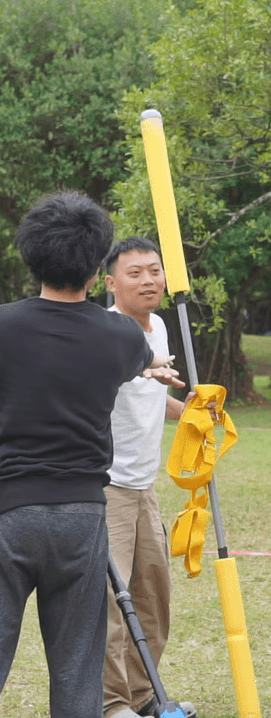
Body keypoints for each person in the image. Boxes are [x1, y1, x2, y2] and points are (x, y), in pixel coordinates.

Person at [0, 192, 182, 718]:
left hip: (9, 511)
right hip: (82, 516)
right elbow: (147, 359)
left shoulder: (4, 326)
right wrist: (156, 366)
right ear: (98, 266)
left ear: (31, 255)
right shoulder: (121, 336)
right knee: (78, 670)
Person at [103, 237, 197, 718]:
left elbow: (152, 395)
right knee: (114, 606)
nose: (148, 280)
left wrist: (190, 411)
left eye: (154, 271)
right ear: (110, 281)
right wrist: (143, 370)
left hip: (145, 486)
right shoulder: (103, 331)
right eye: (135, 272)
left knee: (153, 596)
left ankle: (144, 695)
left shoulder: (158, 325)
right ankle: (112, 702)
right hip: (107, 485)